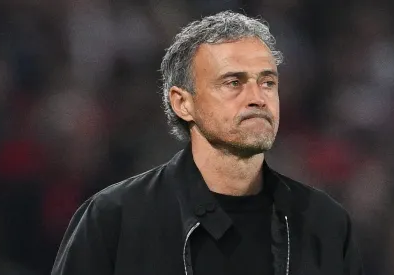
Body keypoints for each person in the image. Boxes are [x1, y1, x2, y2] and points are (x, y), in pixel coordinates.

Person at [51, 11, 364, 275]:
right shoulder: (113, 221)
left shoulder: (326, 225)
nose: (258, 98)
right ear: (183, 103)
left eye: (268, 82)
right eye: (233, 83)